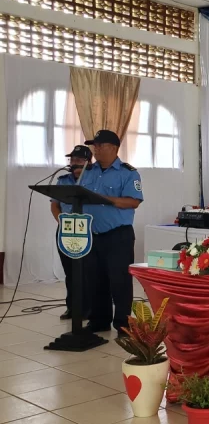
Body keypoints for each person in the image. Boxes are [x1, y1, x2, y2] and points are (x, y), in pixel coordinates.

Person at [79, 130, 143, 337]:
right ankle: (99, 320)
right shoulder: (88, 171)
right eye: (94, 146)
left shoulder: (128, 173)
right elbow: (79, 195)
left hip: (118, 236)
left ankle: (123, 324)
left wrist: (106, 199)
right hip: (92, 234)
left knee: (119, 281)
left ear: (114, 148)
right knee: (95, 280)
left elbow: (134, 201)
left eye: (99, 145)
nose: (95, 149)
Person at [50, 145, 93, 320]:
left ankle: (90, 308)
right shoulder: (63, 180)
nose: (74, 164)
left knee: (88, 272)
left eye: (79, 160)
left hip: (88, 231)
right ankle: (73, 307)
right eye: (72, 160)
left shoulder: (93, 180)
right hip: (66, 230)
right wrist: (62, 222)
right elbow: (54, 205)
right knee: (71, 272)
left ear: (88, 162)